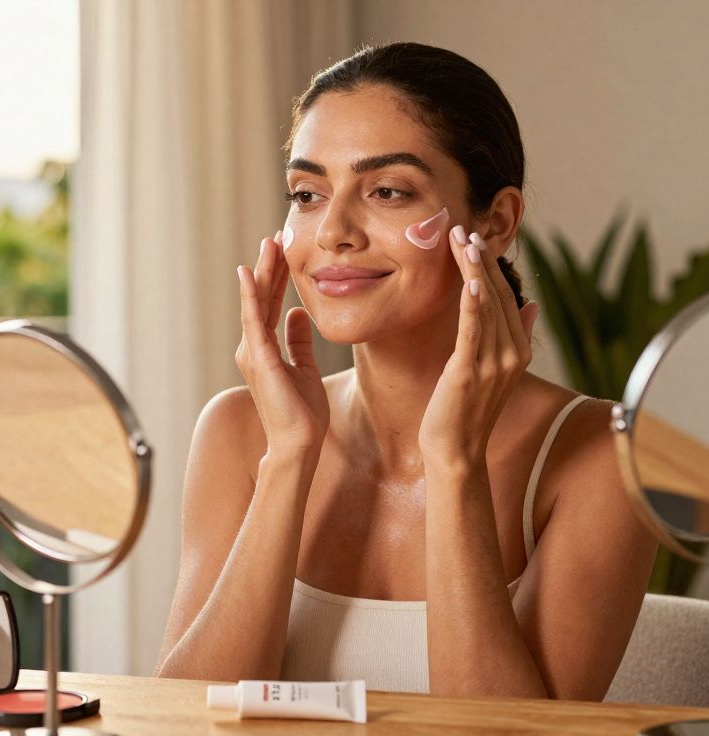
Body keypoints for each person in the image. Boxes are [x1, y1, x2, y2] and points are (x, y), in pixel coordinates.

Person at [155, 42, 656, 700]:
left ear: (497, 222)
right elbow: (179, 720)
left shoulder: (602, 458)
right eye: (307, 193)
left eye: (388, 191)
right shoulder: (238, 431)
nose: (333, 231)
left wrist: (453, 460)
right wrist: (289, 456)